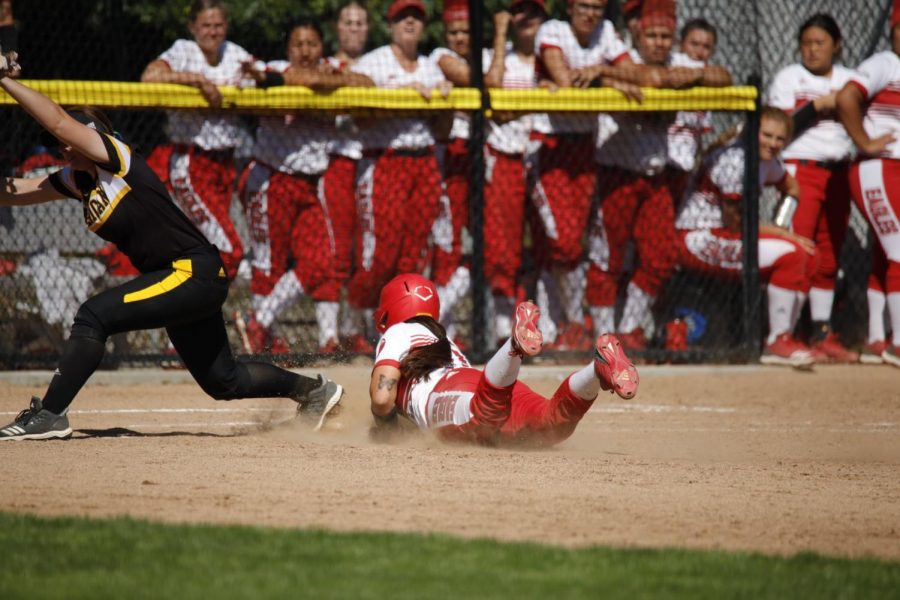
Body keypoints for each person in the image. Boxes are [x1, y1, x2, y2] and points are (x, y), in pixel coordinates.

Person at [0, 56, 343, 440]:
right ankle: (315, 392)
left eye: (67, 142)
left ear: (91, 135)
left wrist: (5, 81)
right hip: (182, 278)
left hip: (191, 271)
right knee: (222, 381)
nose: (61, 148)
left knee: (94, 316)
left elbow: (59, 121)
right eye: (59, 146)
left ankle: (49, 414)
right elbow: (17, 192)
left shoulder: (117, 159)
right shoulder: (79, 181)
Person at [587, 0, 732, 351]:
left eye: (666, 36)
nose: (659, 43)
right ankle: (603, 337)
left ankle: (629, 328)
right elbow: (598, 75)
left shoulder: (678, 62)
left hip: (655, 177)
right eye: (651, 35)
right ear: (637, 32)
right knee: (608, 257)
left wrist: (694, 75)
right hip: (616, 172)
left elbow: (723, 77)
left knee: (660, 256)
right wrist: (613, 77)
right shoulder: (619, 59)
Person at [367, 273, 638, 447]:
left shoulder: (397, 331)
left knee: (482, 416)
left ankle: (514, 346)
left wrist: (388, 430)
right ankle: (597, 367)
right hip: (482, 380)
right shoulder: (442, 338)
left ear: (390, 309)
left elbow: (382, 398)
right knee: (550, 425)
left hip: (450, 392)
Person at [237, 20, 373, 355]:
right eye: (298, 44)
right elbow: (278, 80)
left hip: (309, 185)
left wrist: (325, 80)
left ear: (322, 48)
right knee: (269, 266)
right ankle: (264, 337)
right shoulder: (275, 69)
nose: (306, 51)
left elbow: (366, 82)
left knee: (321, 262)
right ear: (288, 49)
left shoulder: (331, 69)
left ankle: (258, 321)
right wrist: (322, 84)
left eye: (312, 43)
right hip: (271, 179)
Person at [675, 107, 817, 367]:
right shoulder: (735, 159)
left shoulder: (764, 159)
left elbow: (791, 186)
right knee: (792, 253)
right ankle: (777, 340)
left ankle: (783, 336)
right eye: (767, 135)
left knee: (806, 254)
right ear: (752, 132)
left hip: (727, 236)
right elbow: (737, 224)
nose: (773, 144)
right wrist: (783, 233)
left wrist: (781, 222)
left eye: (779, 139)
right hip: (697, 237)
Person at [347, 0, 449, 339]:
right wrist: (402, 94)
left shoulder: (430, 66)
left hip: (424, 161)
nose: (410, 22)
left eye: (417, 17)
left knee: (414, 251)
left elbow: (444, 129)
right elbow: (358, 114)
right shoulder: (374, 61)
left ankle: (403, 326)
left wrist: (446, 99)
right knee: (380, 252)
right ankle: (355, 322)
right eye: (402, 17)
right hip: (384, 159)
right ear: (390, 25)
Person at [768, 13, 859, 363]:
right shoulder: (791, 77)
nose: (811, 50)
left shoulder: (852, 80)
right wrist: (818, 105)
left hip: (838, 172)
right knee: (798, 249)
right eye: (805, 43)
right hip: (799, 170)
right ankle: (784, 333)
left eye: (819, 43)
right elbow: (778, 126)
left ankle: (821, 332)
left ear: (836, 45)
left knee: (828, 254)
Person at [139, 0, 252, 281]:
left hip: (225, 163)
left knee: (207, 247)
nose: (213, 32)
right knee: (230, 251)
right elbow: (149, 78)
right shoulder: (183, 51)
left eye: (219, 25)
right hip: (192, 161)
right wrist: (197, 81)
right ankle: (185, 302)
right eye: (206, 25)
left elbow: (260, 74)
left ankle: (196, 313)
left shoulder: (234, 53)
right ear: (192, 27)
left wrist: (256, 76)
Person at [836, 4, 900, 368]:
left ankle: (877, 338)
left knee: (886, 250)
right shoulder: (885, 63)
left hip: (895, 170)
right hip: (878, 168)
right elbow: (847, 97)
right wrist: (864, 141)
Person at [483, 0, 544, 345]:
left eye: (532, 12)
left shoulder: (551, 55)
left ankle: (552, 323)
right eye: (517, 12)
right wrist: (500, 32)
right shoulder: (495, 54)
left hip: (543, 157)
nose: (525, 19)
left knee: (553, 246)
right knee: (502, 249)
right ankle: (502, 331)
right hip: (506, 157)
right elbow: (493, 94)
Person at [324, 1, 375, 354]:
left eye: (360, 22)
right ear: (337, 28)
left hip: (372, 160)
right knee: (337, 249)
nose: (354, 28)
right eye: (347, 22)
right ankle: (330, 336)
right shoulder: (324, 65)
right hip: (337, 162)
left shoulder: (380, 62)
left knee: (368, 251)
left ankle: (354, 328)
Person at [428, 0, 474, 344]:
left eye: (466, 32)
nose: (460, 38)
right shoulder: (438, 57)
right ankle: (441, 325)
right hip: (449, 155)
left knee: (489, 249)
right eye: (454, 31)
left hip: (479, 156)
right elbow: (466, 76)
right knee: (448, 242)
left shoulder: (484, 55)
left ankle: (447, 323)